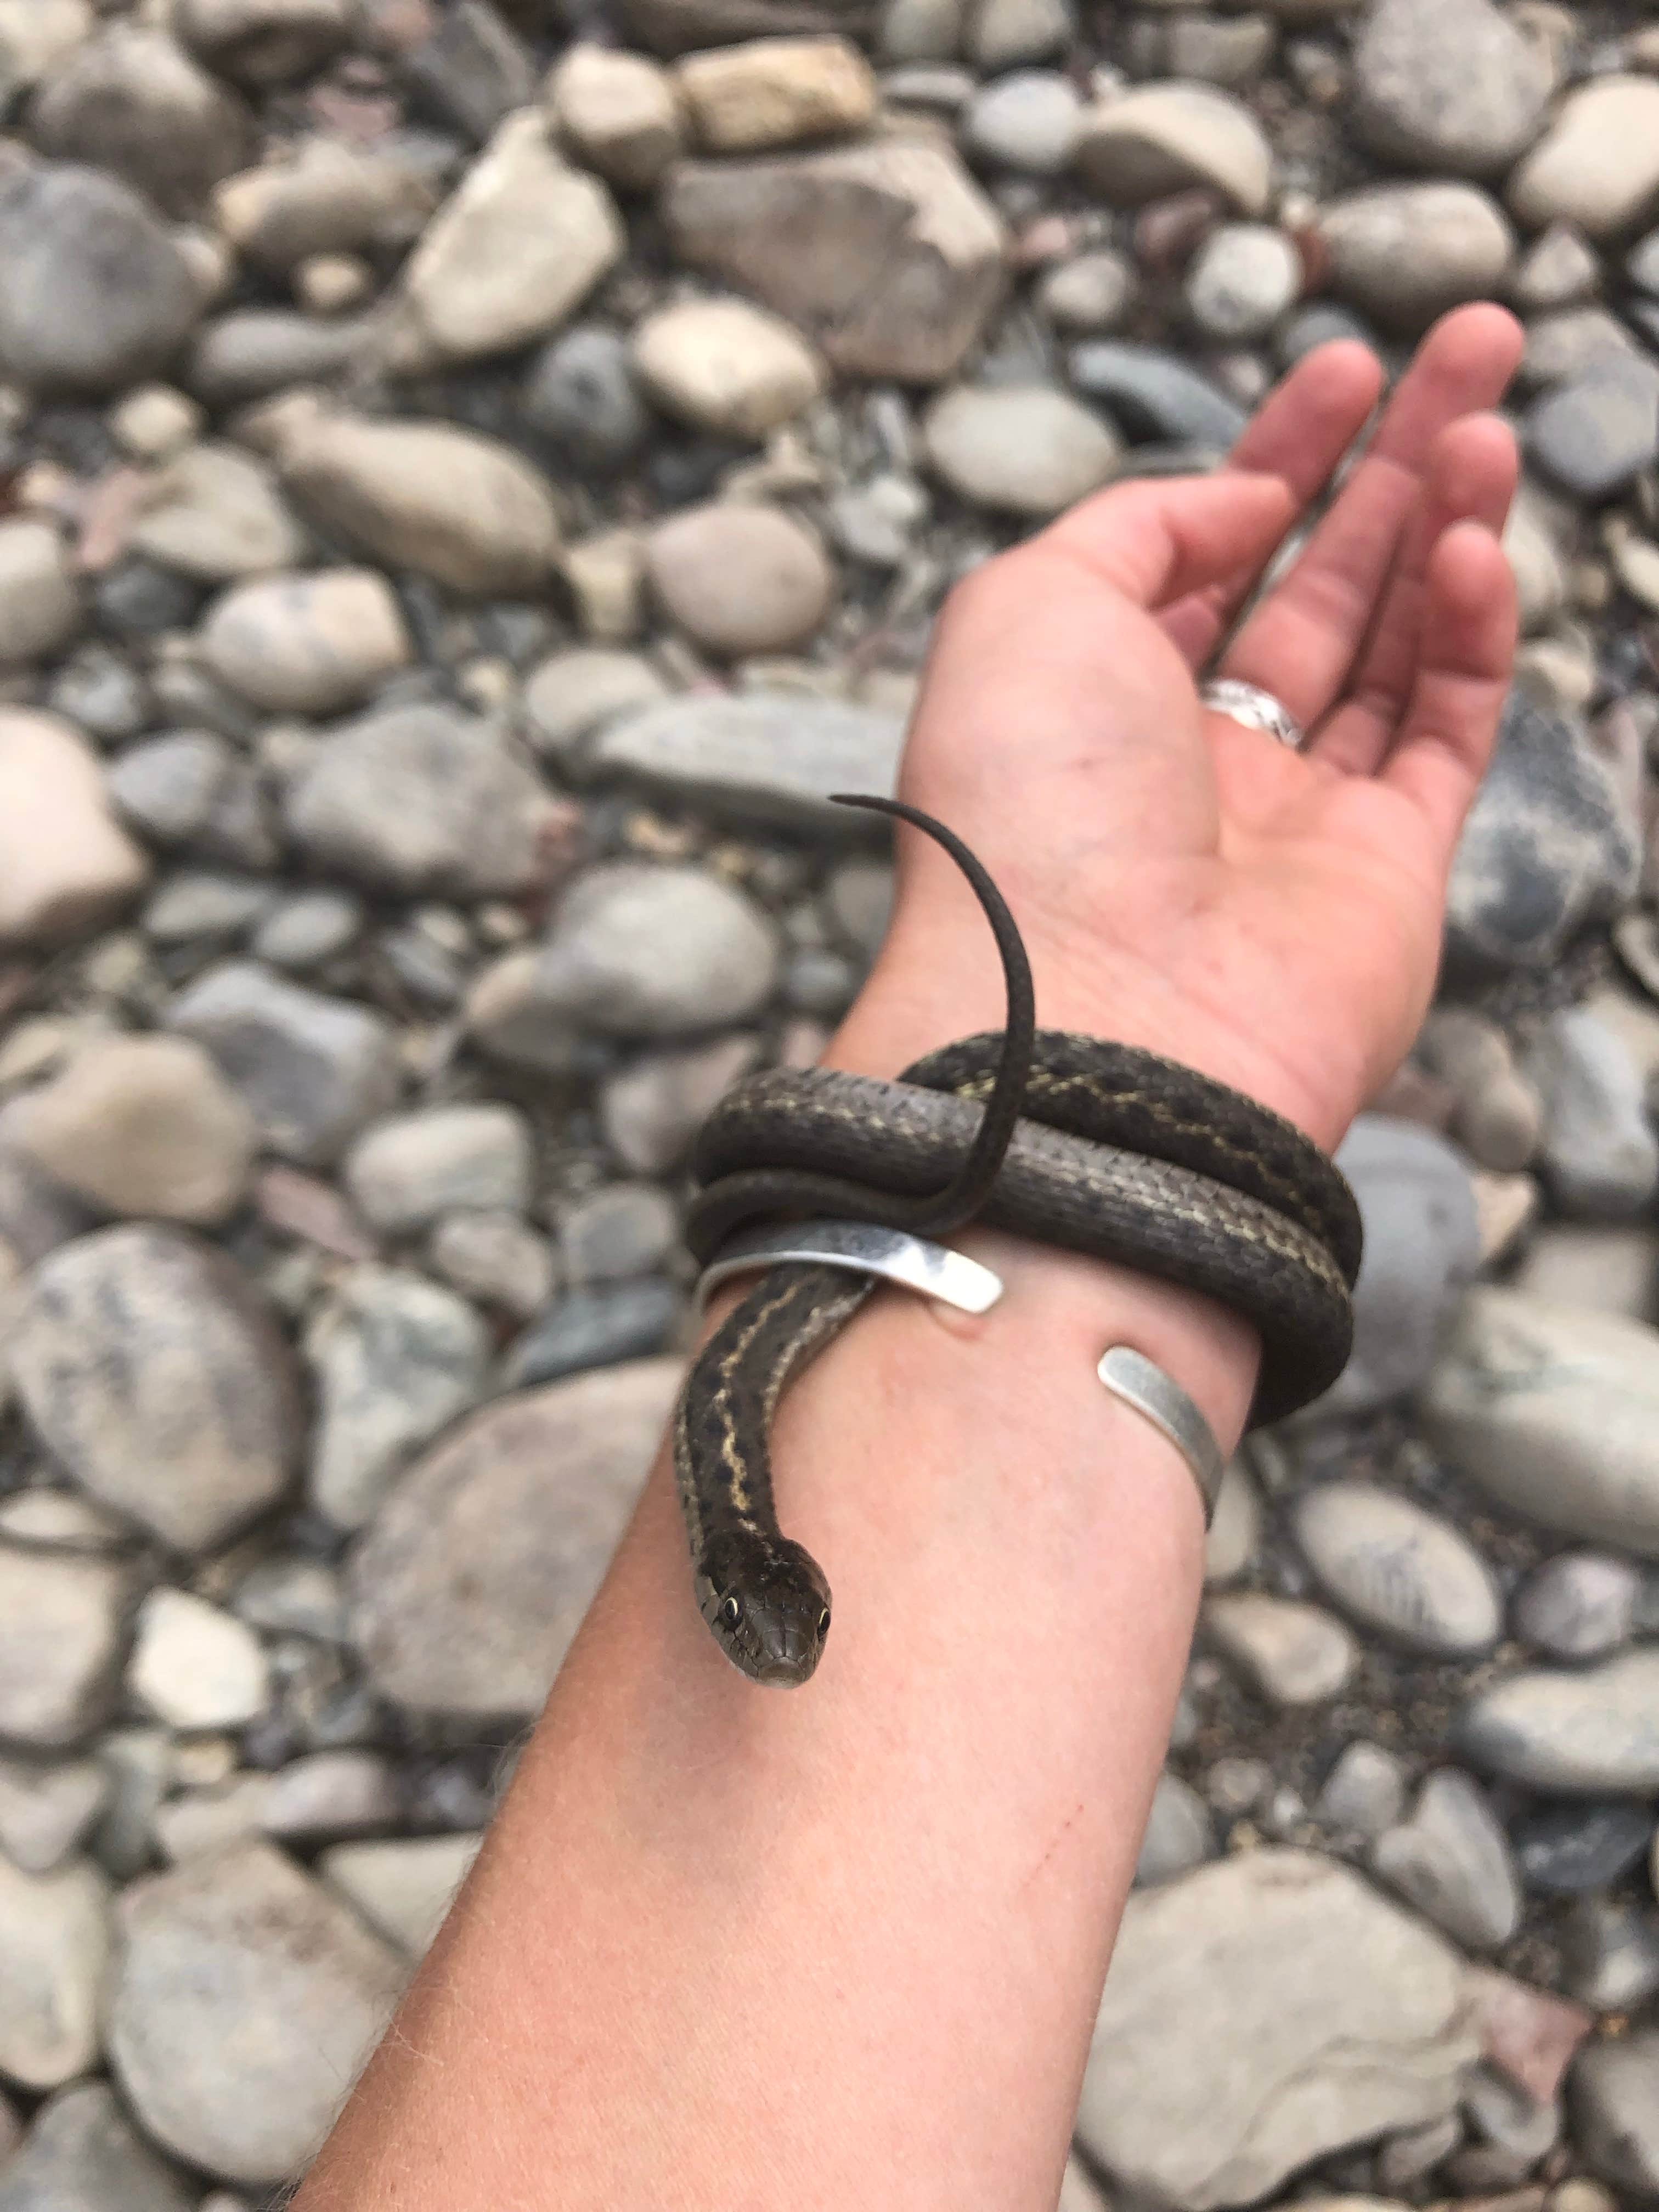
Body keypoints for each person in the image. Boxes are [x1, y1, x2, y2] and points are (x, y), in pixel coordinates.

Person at [294, 301, 1524, 2210]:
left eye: (777, 1620)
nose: (777, 1652)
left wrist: (1122, 1040)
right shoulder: (744, 1477)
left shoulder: (751, 1452)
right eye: (772, 1621)